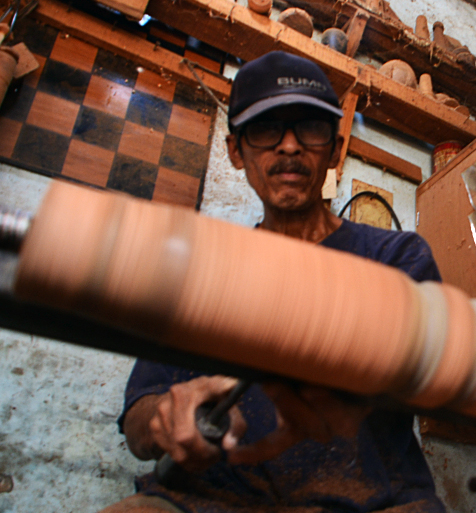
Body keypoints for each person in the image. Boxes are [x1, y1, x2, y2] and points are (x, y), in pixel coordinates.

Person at [101, 51, 446, 513]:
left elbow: (434, 375)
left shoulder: (397, 257)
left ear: (336, 150)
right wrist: (165, 418)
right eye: (266, 130)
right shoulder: (195, 270)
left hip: (373, 503)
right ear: (235, 152)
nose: (288, 146)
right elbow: (138, 424)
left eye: (309, 127)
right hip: (207, 501)